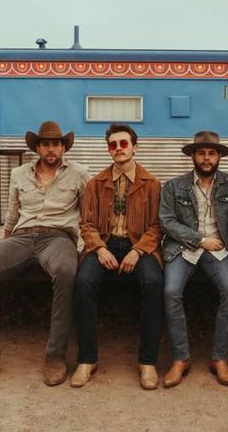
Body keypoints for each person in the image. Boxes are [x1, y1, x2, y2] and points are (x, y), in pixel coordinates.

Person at [0, 121, 90, 388]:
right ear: (38, 148)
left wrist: (85, 246)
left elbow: (88, 215)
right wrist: (2, 248)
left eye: (56, 144)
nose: (51, 149)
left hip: (58, 238)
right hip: (22, 236)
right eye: (45, 144)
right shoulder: (19, 174)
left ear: (63, 147)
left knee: (66, 273)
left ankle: (55, 355)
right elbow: (12, 213)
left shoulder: (80, 174)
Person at [70, 124, 164, 390]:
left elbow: (158, 226)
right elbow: (86, 224)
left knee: (154, 282)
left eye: (124, 143)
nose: (119, 149)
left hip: (139, 247)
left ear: (135, 147)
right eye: (113, 145)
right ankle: (87, 359)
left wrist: (137, 250)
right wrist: (99, 248)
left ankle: (147, 362)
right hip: (105, 244)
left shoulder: (152, 184)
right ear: (109, 149)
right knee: (84, 282)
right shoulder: (95, 184)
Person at [159, 131, 228, 388]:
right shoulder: (174, 185)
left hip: (220, 249)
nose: (206, 158)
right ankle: (180, 358)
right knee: (171, 291)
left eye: (212, 153)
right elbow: (167, 221)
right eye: (201, 153)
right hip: (184, 247)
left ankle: (220, 358)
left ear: (219, 157)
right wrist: (199, 239)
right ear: (193, 156)